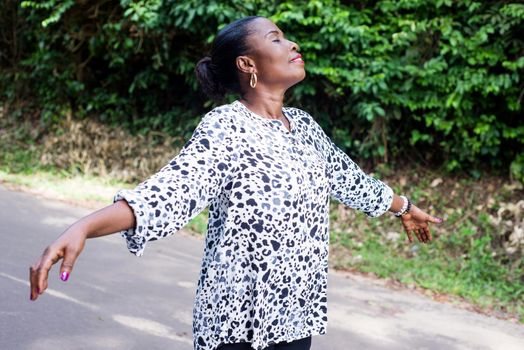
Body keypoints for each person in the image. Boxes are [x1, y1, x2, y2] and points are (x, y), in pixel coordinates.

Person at [29, 16, 443, 350]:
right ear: (248, 63)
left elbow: (351, 181)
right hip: (237, 323)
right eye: (277, 39)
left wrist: (404, 208)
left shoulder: (304, 126)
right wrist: (82, 226)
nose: (292, 44)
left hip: (294, 316)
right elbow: (170, 194)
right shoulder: (228, 126)